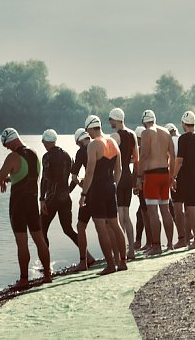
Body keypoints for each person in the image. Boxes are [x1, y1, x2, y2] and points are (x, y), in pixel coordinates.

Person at [0, 128, 51, 290]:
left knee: (22, 243)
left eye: (6, 144)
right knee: (39, 240)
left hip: (18, 205)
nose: (7, 148)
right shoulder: (35, 154)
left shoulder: (13, 157)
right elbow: (24, 175)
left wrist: (3, 180)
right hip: (32, 202)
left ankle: (24, 279)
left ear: (11, 140)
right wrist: (11, 178)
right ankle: (47, 275)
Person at [80, 116, 128, 275]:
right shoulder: (113, 141)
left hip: (97, 189)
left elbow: (89, 172)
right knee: (115, 225)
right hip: (110, 186)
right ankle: (123, 262)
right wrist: (114, 185)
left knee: (100, 227)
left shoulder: (93, 145)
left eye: (87, 130)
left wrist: (84, 194)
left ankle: (110, 265)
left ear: (90, 128)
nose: (87, 133)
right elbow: (119, 169)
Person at [136, 110, 175, 256]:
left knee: (153, 212)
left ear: (144, 122)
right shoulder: (166, 132)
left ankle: (157, 245)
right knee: (165, 210)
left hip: (152, 175)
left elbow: (144, 155)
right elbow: (172, 156)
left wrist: (139, 176)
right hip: (165, 173)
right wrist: (172, 176)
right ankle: (170, 244)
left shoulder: (147, 133)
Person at [172, 111, 195, 249]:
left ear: (183, 124)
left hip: (189, 177)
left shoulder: (183, 139)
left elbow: (179, 160)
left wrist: (173, 176)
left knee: (191, 208)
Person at [39, 129, 82, 249]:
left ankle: (45, 260)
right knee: (68, 230)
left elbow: (44, 179)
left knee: (41, 228)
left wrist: (42, 199)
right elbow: (75, 178)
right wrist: (67, 191)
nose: (43, 144)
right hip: (65, 198)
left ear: (47, 142)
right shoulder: (67, 155)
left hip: (52, 198)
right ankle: (86, 256)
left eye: (43, 141)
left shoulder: (47, 157)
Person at [108, 108, 139, 260]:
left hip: (119, 176)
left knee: (119, 216)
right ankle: (131, 250)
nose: (109, 122)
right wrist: (136, 180)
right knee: (126, 215)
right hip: (128, 175)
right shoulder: (133, 134)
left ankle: (120, 253)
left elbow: (109, 159)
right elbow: (136, 159)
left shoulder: (114, 136)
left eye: (110, 119)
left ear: (115, 119)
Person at [70, 128, 97, 271]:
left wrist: (75, 187)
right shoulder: (99, 145)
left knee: (81, 226)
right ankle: (116, 257)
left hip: (89, 193)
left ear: (79, 141)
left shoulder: (81, 152)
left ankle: (83, 262)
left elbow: (74, 177)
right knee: (107, 225)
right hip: (105, 190)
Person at [132, 125, 153, 250]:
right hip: (150, 183)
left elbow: (137, 169)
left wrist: (135, 184)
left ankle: (149, 242)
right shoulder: (150, 148)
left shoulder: (140, 150)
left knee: (145, 214)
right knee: (145, 213)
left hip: (143, 185)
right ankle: (148, 241)